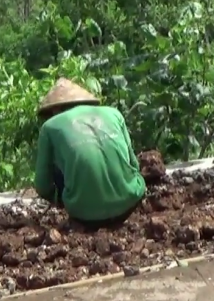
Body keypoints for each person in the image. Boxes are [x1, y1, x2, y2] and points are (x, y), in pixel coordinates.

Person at [33, 78, 147, 228]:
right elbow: (134, 165)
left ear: (55, 109)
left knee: (60, 163)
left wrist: (60, 200)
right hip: (129, 201)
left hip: (84, 214)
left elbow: (42, 185)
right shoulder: (114, 114)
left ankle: (84, 199)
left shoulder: (50, 127)